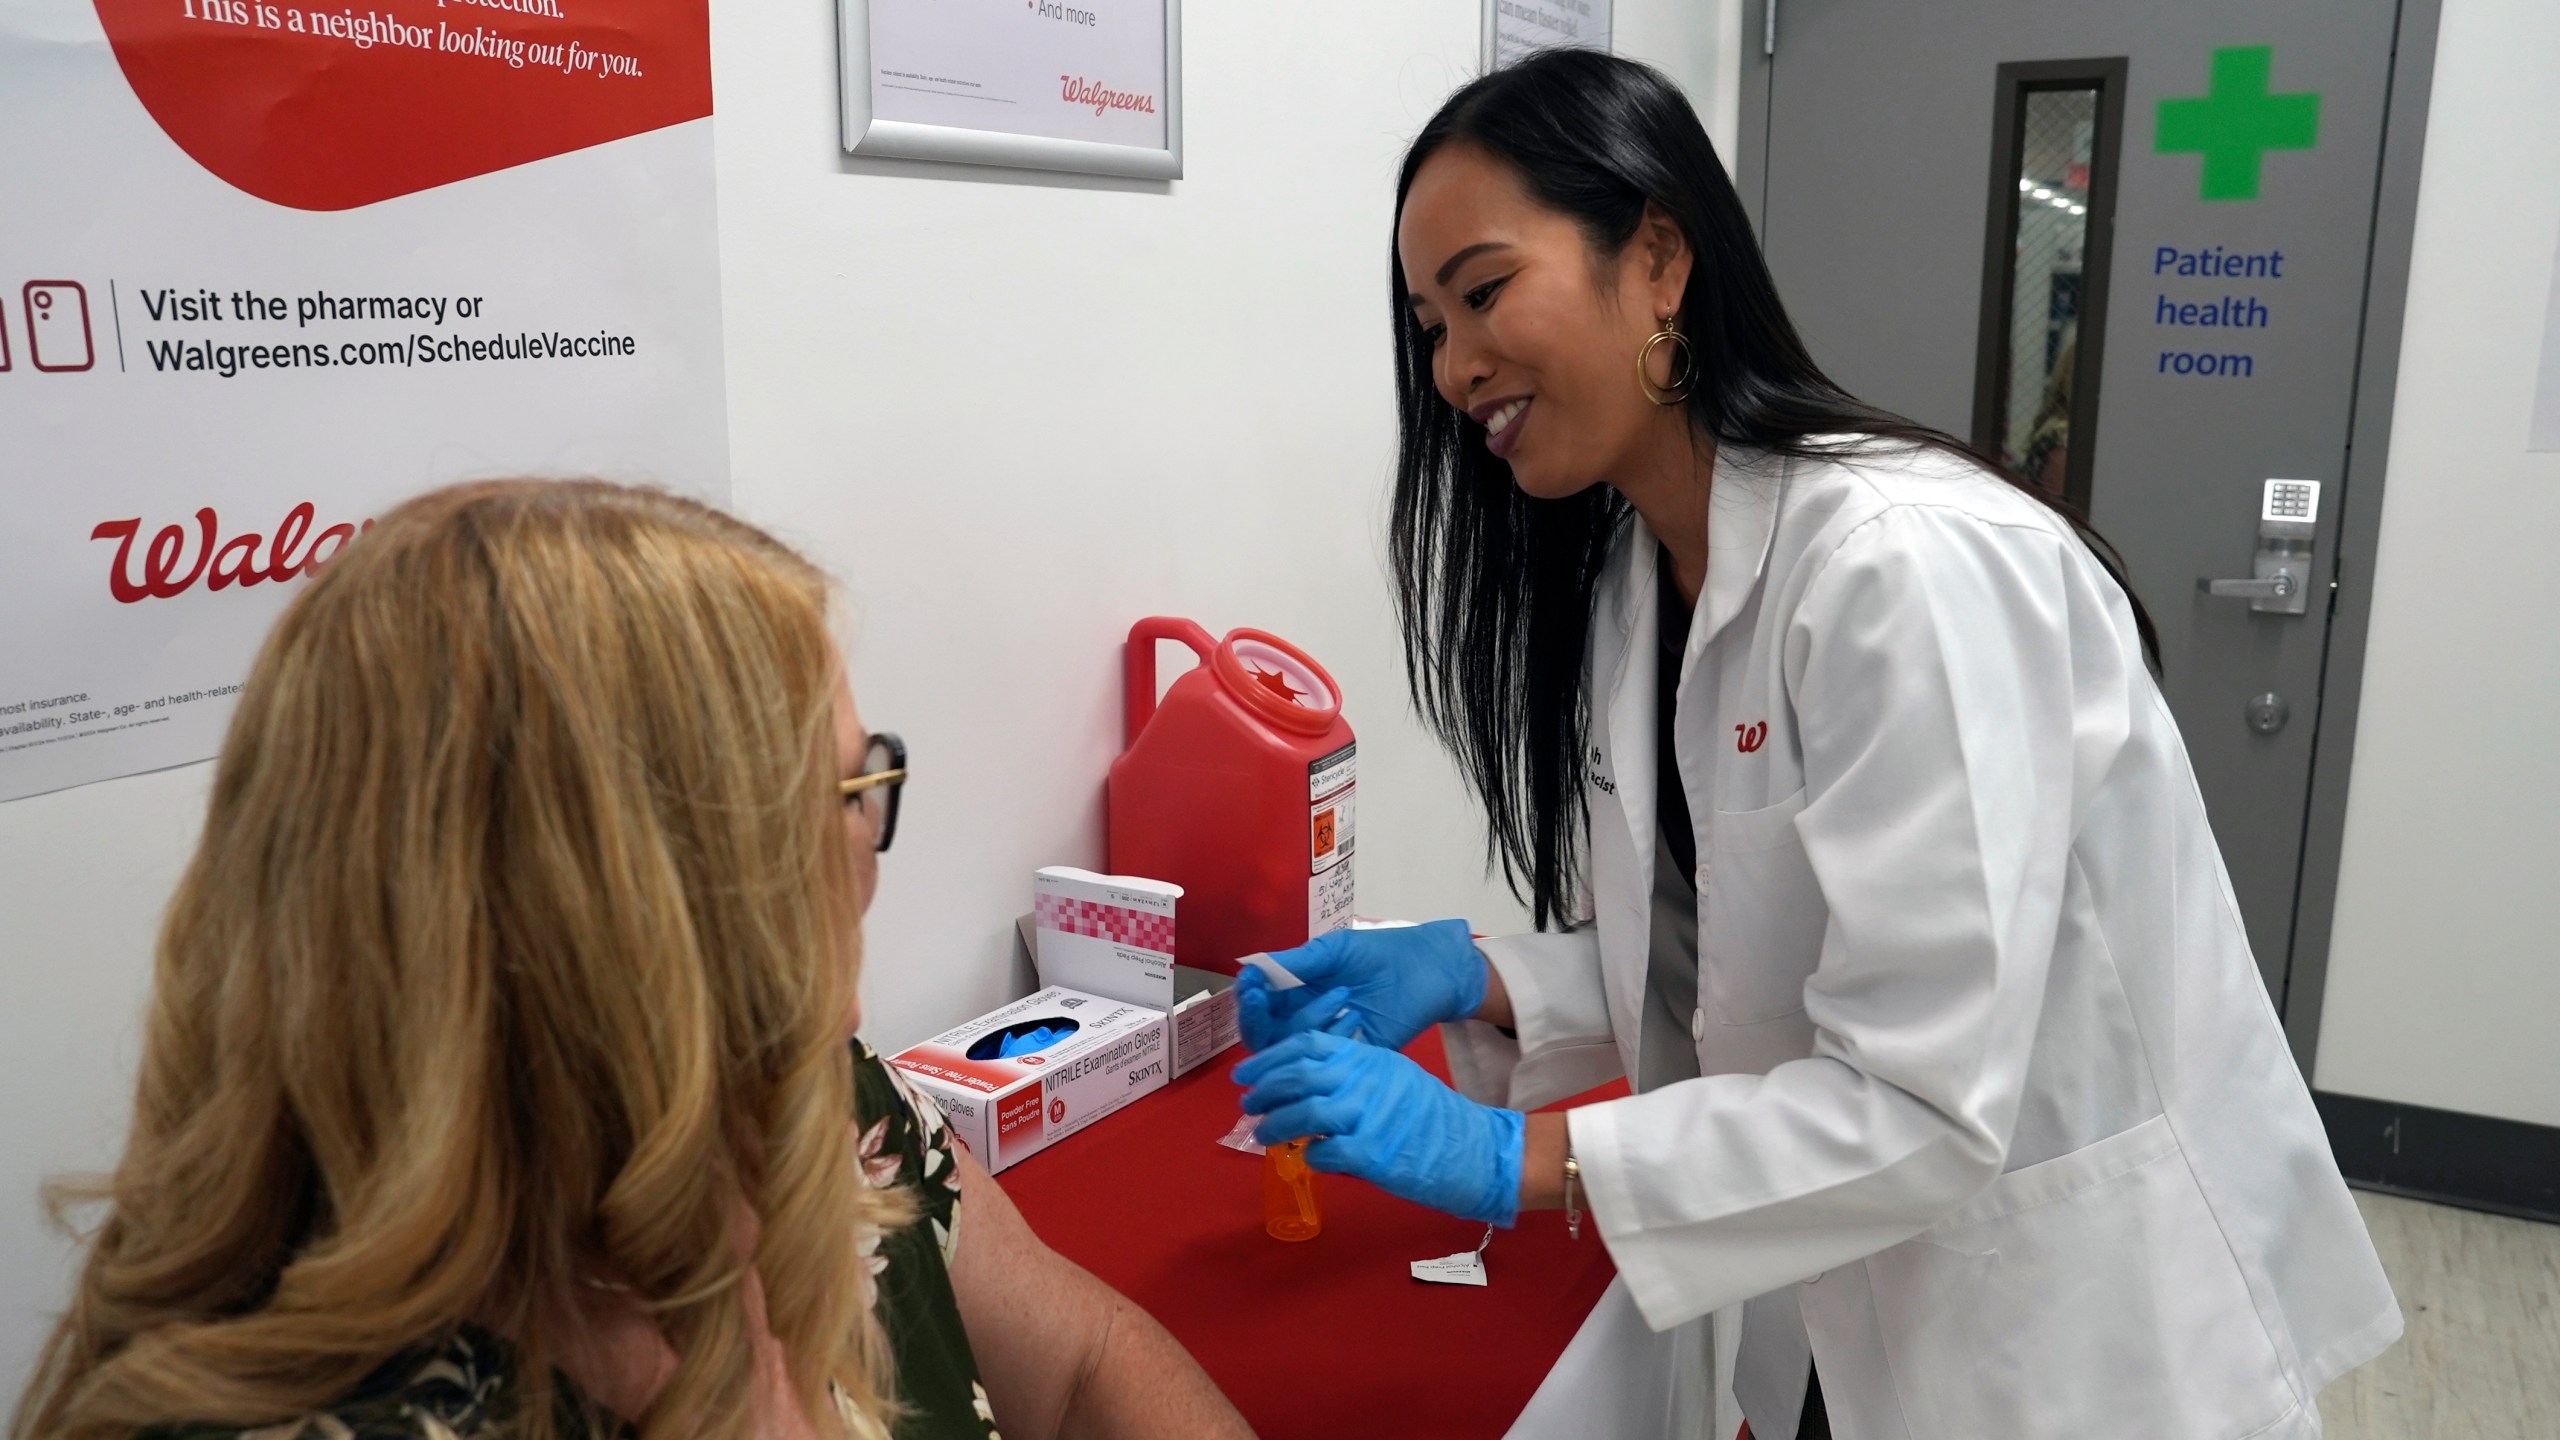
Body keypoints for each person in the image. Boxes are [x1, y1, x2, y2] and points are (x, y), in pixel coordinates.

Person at [1233, 50, 2398, 1440]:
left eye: (1483, 293)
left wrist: (1511, 1157)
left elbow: (1918, 1097)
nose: (1452, 365)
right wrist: (1477, 978)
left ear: (1656, 258)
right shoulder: (1638, 577)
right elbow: (1733, 959)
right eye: (1428, 323)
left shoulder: (1906, 573)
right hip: (1841, 1309)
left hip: (2065, 1334)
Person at [11, 481, 1252, 1440]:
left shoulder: (805, 1101)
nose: (867, 853)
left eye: (868, 777)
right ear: (619, 911)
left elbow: (1084, 1363)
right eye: (835, 796)